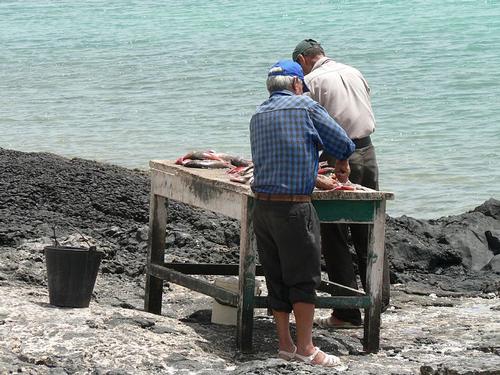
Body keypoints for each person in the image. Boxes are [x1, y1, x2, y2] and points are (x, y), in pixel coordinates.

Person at [250, 59, 355, 367]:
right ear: (297, 85)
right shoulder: (305, 107)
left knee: (277, 276)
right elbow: (343, 143)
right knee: (303, 278)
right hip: (294, 207)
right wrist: (338, 165)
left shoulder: (258, 114)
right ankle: (307, 348)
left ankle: (285, 345)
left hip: (263, 207)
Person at [292, 39, 390, 328]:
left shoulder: (310, 80)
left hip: (338, 156)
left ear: (302, 60)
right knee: (369, 227)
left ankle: (346, 313)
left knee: (333, 231)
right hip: (367, 151)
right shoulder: (353, 71)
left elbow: (310, 125)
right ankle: (379, 300)